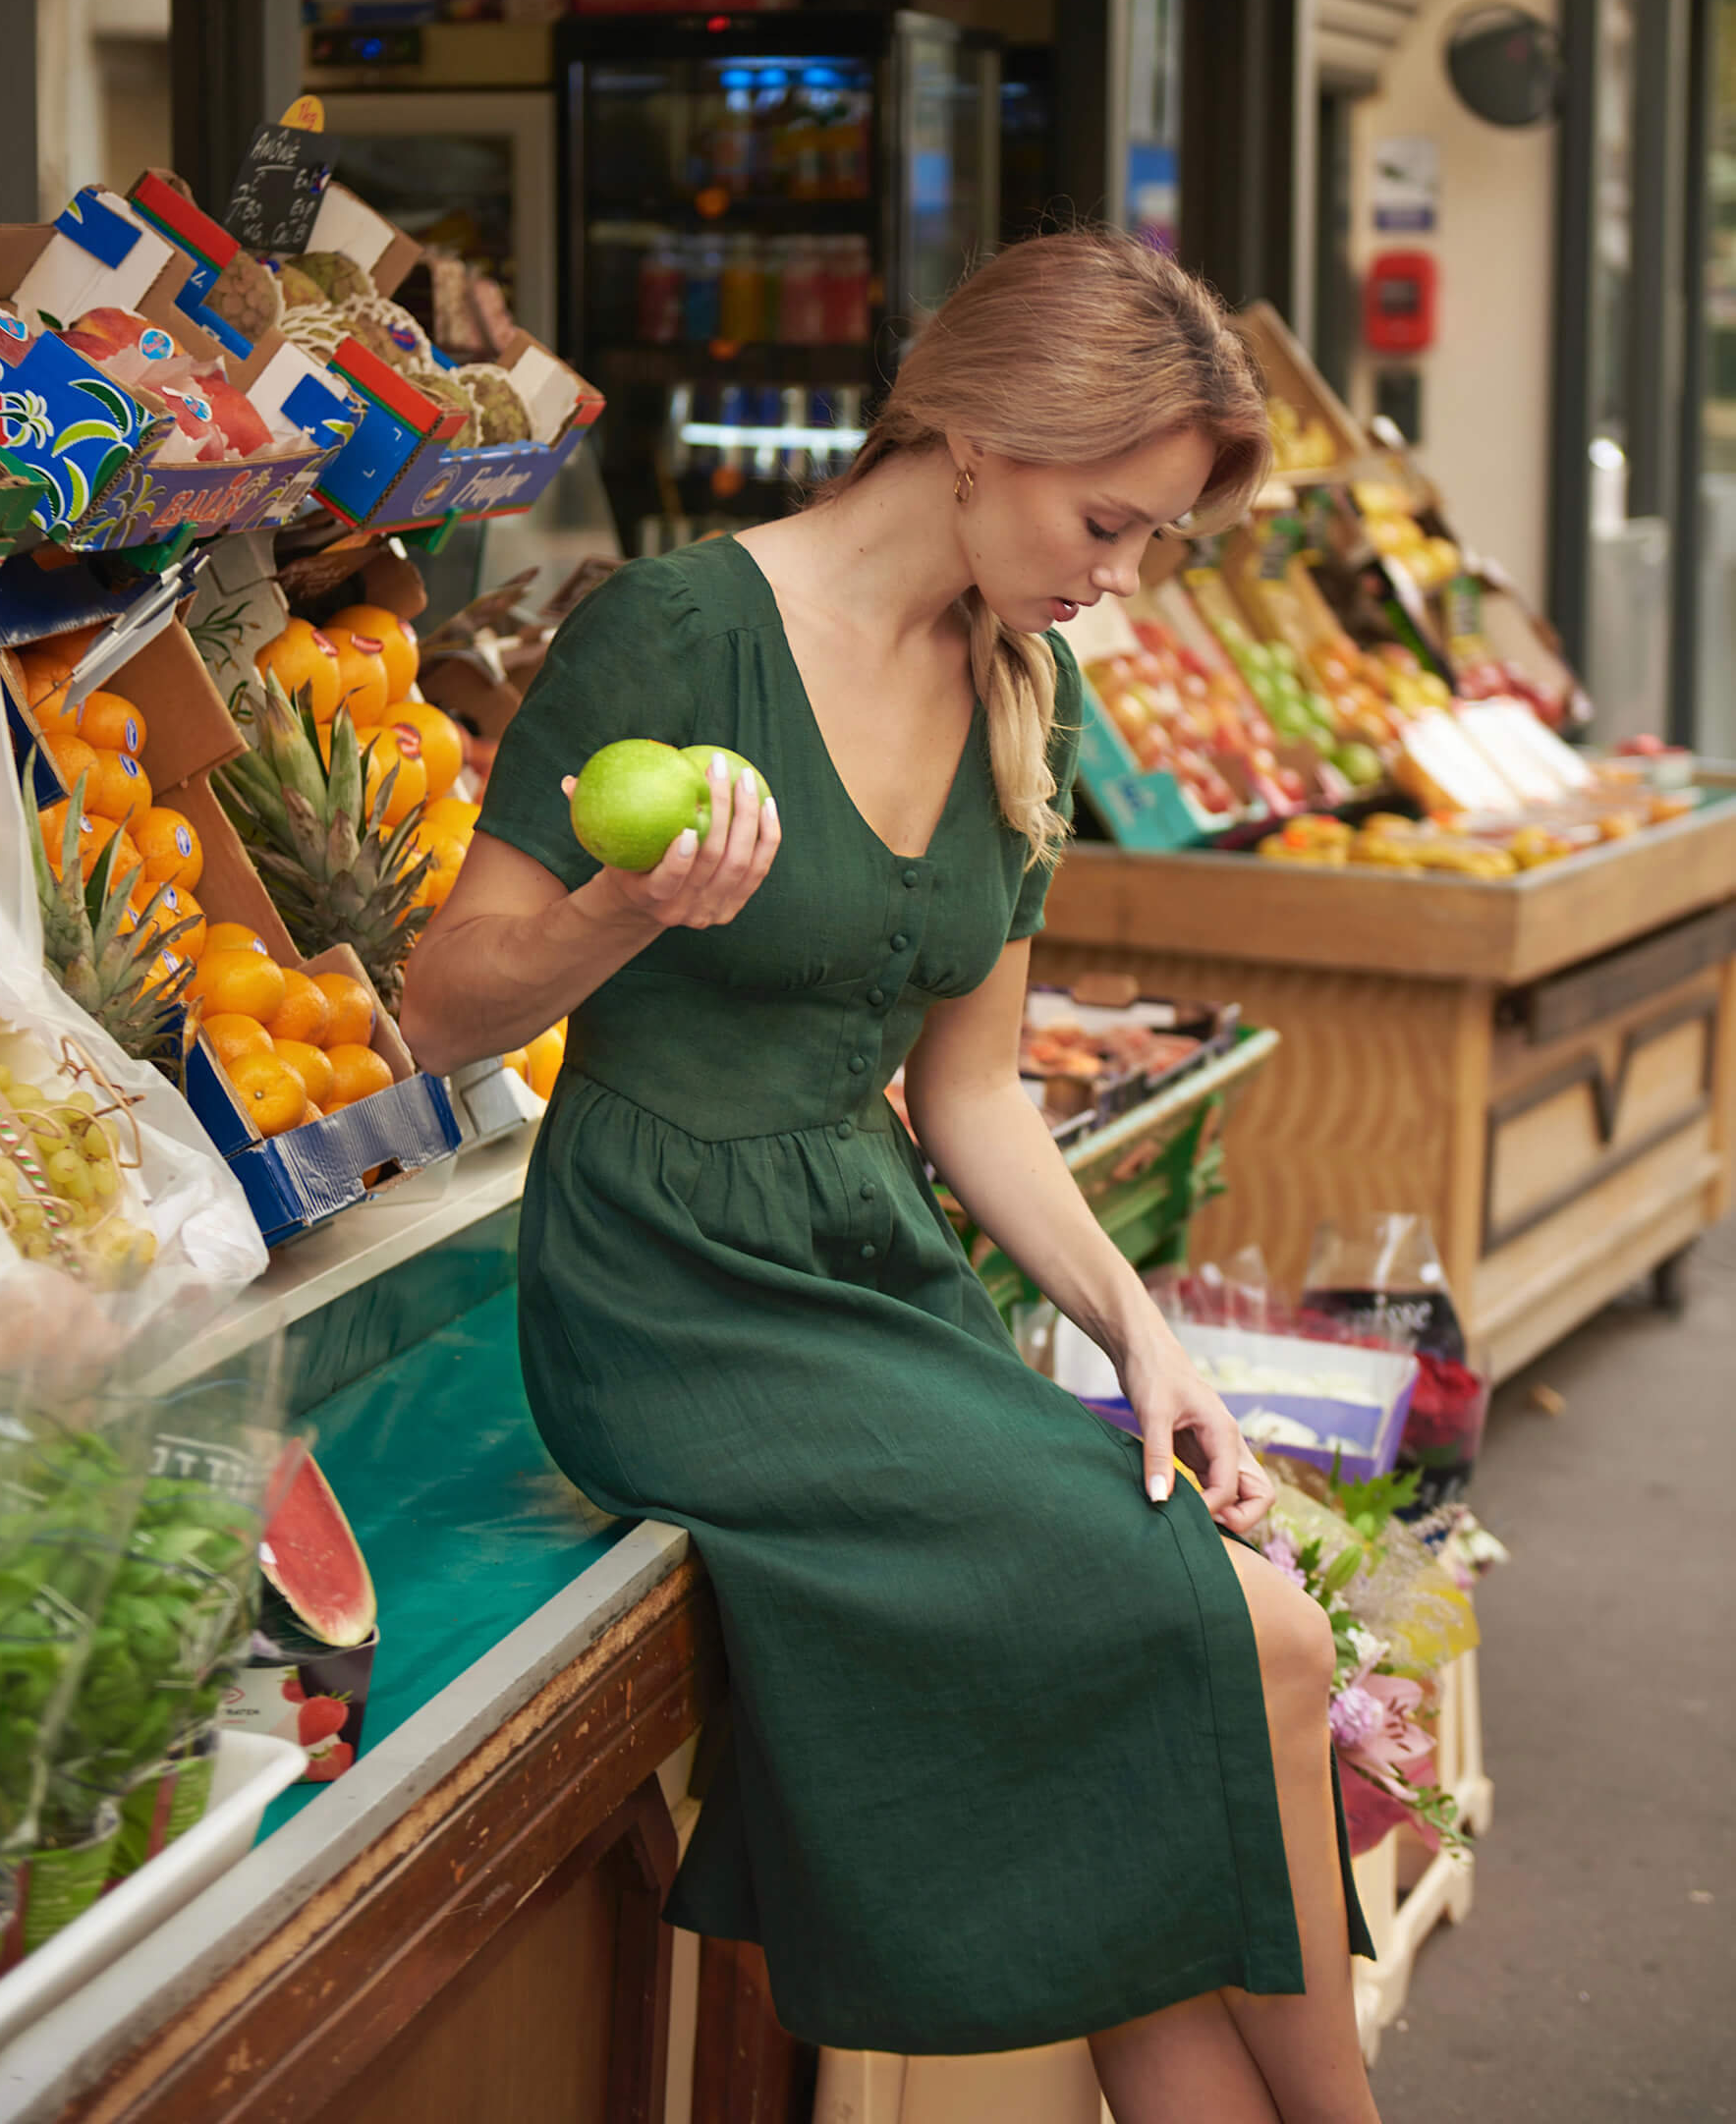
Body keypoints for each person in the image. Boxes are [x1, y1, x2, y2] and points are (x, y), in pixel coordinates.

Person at [402, 230, 1380, 2124]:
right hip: (663, 1283)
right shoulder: (675, 634)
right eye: (1107, 526)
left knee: (1164, 1776)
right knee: (1256, 1631)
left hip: (870, 1265)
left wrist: (1137, 1330)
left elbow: (978, 1094)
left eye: (1150, 544)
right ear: (971, 434)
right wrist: (621, 913)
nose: (1114, 582)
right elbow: (442, 1013)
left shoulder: (1027, 688)